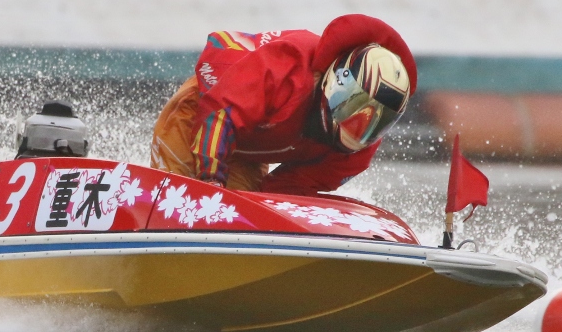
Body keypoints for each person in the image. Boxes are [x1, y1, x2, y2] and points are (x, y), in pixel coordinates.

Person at [149, 14, 417, 196]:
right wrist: (211, 181)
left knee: (245, 216)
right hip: (200, 117)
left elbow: (289, 190)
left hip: (249, 151)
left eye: (378, 121)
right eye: (355, 104)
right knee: (181, 199)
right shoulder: (290, 69)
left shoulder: (356, 153)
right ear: (339, 79)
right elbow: (221, 114)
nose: (361, 125)